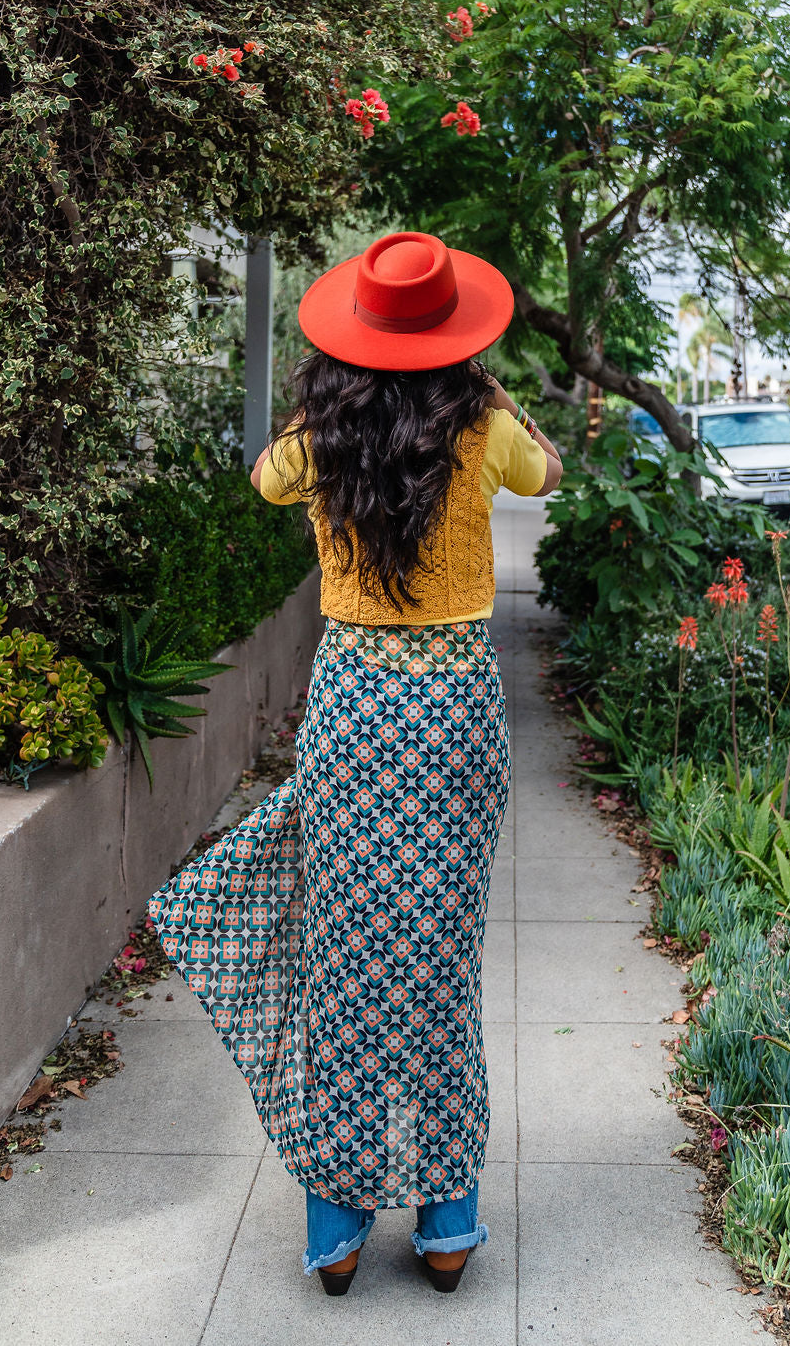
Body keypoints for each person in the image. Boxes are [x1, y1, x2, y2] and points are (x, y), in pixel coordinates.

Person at [148, 230, 563, 1297]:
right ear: (457, 333)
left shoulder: (320, 436)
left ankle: (334, 1227)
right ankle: (448, 1220)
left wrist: (324, 403)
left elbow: (263, 480)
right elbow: (547, 471)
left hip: (355, 704)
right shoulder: (483, 423)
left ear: (358, 332)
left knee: (345, 956)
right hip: (454, 706)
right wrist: (499, 397)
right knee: (439, 956)